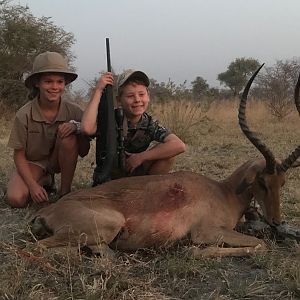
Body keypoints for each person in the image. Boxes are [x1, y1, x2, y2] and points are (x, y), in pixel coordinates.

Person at [6, 51, 90, 208]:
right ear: (37, 83)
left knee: (69, 135)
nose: (55, 87)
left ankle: (65, 193)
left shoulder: (75, 111)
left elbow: (85, 150)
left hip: (57, 161)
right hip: (34, 163)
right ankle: (45, 180)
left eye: (59, 82)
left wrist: (76, 127)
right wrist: (32, 186)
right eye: (48, 81)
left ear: (65, 84)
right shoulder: (24, 114)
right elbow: (19, 155)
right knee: (16, 199)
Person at [81, 69, 186, 177]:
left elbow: (179, 145)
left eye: (141, 94)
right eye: (130, 96)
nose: (137, 100)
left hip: (135, 171)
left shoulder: (149, 123)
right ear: (118, 100)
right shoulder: (110, 119)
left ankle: (149, 190)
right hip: (109, 176)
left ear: (148, 96)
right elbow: (86, 128)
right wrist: (98, 90)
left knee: (168, 155)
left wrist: (141, 157)